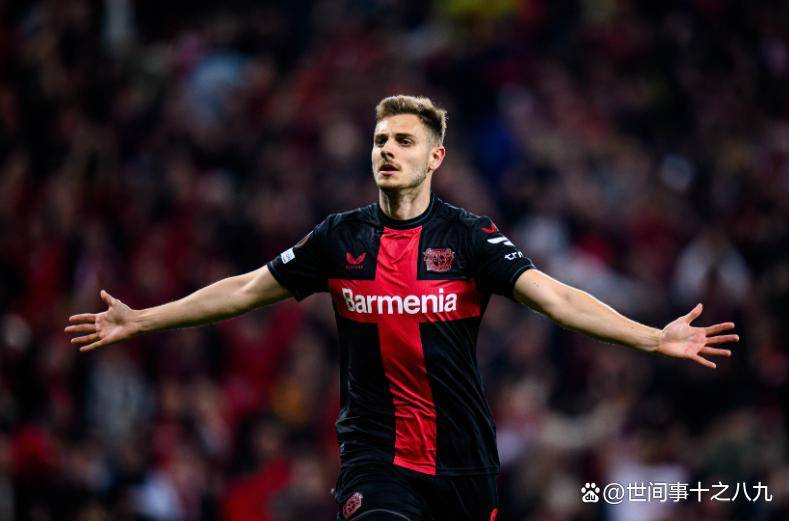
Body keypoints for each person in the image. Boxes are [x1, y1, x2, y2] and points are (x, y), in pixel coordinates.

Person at [65, 95, 738, 521]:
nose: (387, 149)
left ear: (435, 157)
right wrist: (143, 318)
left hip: (464, 462)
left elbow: (556, 298)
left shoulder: (469, 238)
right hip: (377, 456)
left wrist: (651, 337)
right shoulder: (338, 238)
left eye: (404, 141)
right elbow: (244, 290)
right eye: (380, 140)